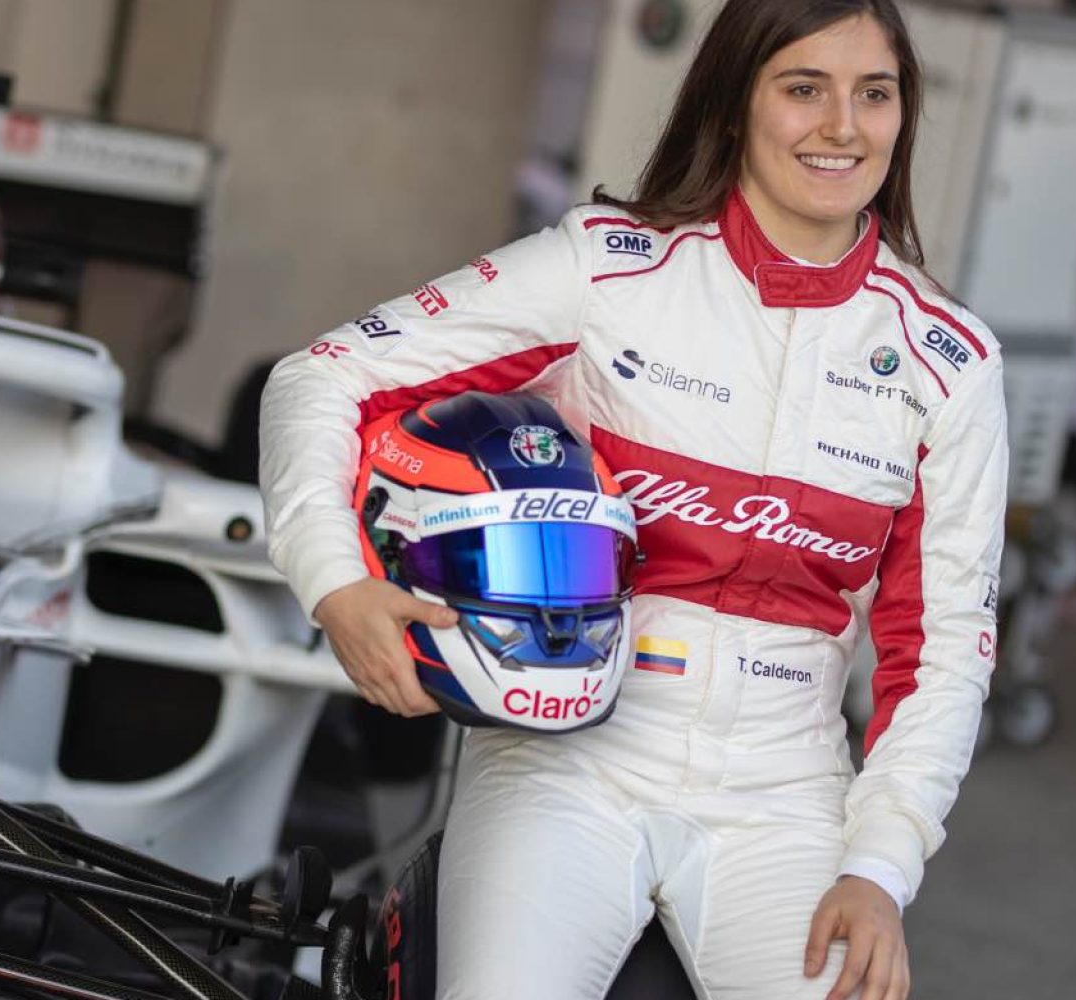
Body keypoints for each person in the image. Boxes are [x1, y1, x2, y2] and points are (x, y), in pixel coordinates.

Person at [258, 1, 1008, 998]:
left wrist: (881, 864)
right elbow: (322, 376)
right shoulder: (606, 270)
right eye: (803, 88)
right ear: (735, 103)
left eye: (876, 94)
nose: (843, 125)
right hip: (565, 763)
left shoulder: (948, 362)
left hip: (786, 798)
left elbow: (945, 649)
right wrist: (336, 584)